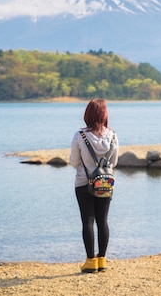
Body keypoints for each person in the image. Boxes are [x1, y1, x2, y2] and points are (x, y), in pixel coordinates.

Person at [69, 98, 119, 273]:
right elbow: (114, 162)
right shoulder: (113, 135)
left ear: (88, 114)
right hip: (105, 181)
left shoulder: (80, 135)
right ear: (104, 114)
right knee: (103, 221)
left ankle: (90, 262)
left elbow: (73, 161)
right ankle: (102, 260)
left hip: (83, 182)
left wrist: (88, 167)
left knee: (88, 220)